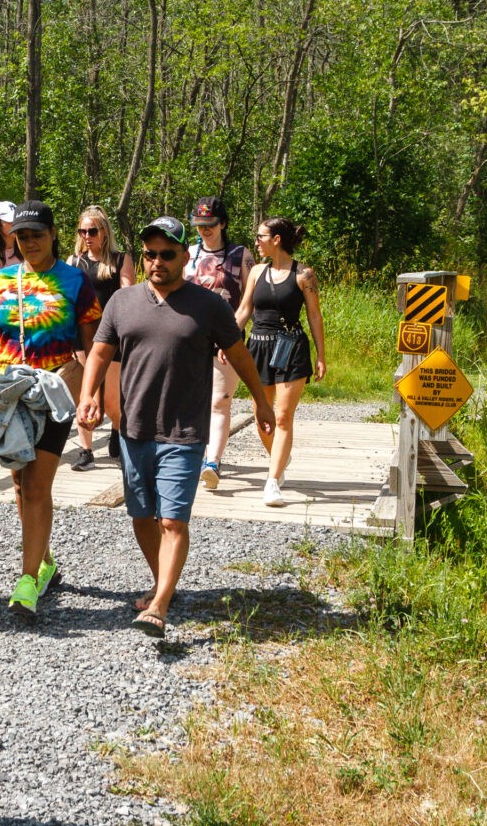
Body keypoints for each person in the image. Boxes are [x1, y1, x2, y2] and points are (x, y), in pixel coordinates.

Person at [77, 215, 274, 636]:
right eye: (149, 254)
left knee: (173, 521)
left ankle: (161, 603)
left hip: (184, 433)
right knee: (142, 515)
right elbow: (98, 353)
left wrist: (260, 401)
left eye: (167, 254)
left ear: (186, 256)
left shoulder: (209, 306)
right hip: (133, 429)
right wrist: (89, 394)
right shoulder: (122, 303)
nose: (157, 261)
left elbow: (239, 356)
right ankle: (162, 582)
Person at [0, 200, 101, 623]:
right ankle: (44, 562)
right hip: (8, 394)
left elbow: (91, 344)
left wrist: (87, 390)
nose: (29, 243)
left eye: (36, 235)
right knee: (19, 485)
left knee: (38, 484)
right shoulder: (0, 282)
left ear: (52, 234)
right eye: (22, 236)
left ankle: (27, 583)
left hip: (55, 392)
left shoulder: (76, 281)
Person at [236, 217, 327, 507]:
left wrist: (321, 355)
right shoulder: (256, 272)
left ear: (277, 240)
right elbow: (244, 310)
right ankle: (281, 458)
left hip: (291, 346)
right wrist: (226, 340)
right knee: (263, 417)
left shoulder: (304, 275)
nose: (257, 241)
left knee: (284, 416)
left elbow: (314, 316)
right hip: (258, 346)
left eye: (261, 236)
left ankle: (272, 481)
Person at [184, 196, 254, 490]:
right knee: (190, 402)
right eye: (199, 225)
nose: (204, 230)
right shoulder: (187, 254)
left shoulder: (241, 255)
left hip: (227, 340)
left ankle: (212, 461)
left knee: (219, 401)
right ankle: (191, 455)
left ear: (222, 223)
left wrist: (231, 335)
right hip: (190, 338)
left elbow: (249, 301)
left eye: (210, 224)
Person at [62, 205, 135, 471]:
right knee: (86, 393)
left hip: (112, 336)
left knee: (111, 400)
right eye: (82, 231)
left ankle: (117, 429)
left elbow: (128, 294)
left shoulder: (120, 260)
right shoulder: (74, 262)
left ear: (104, 231)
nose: (87, 236)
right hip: (82, 335)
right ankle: (86, 450)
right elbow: (65, 301)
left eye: (92, 230)